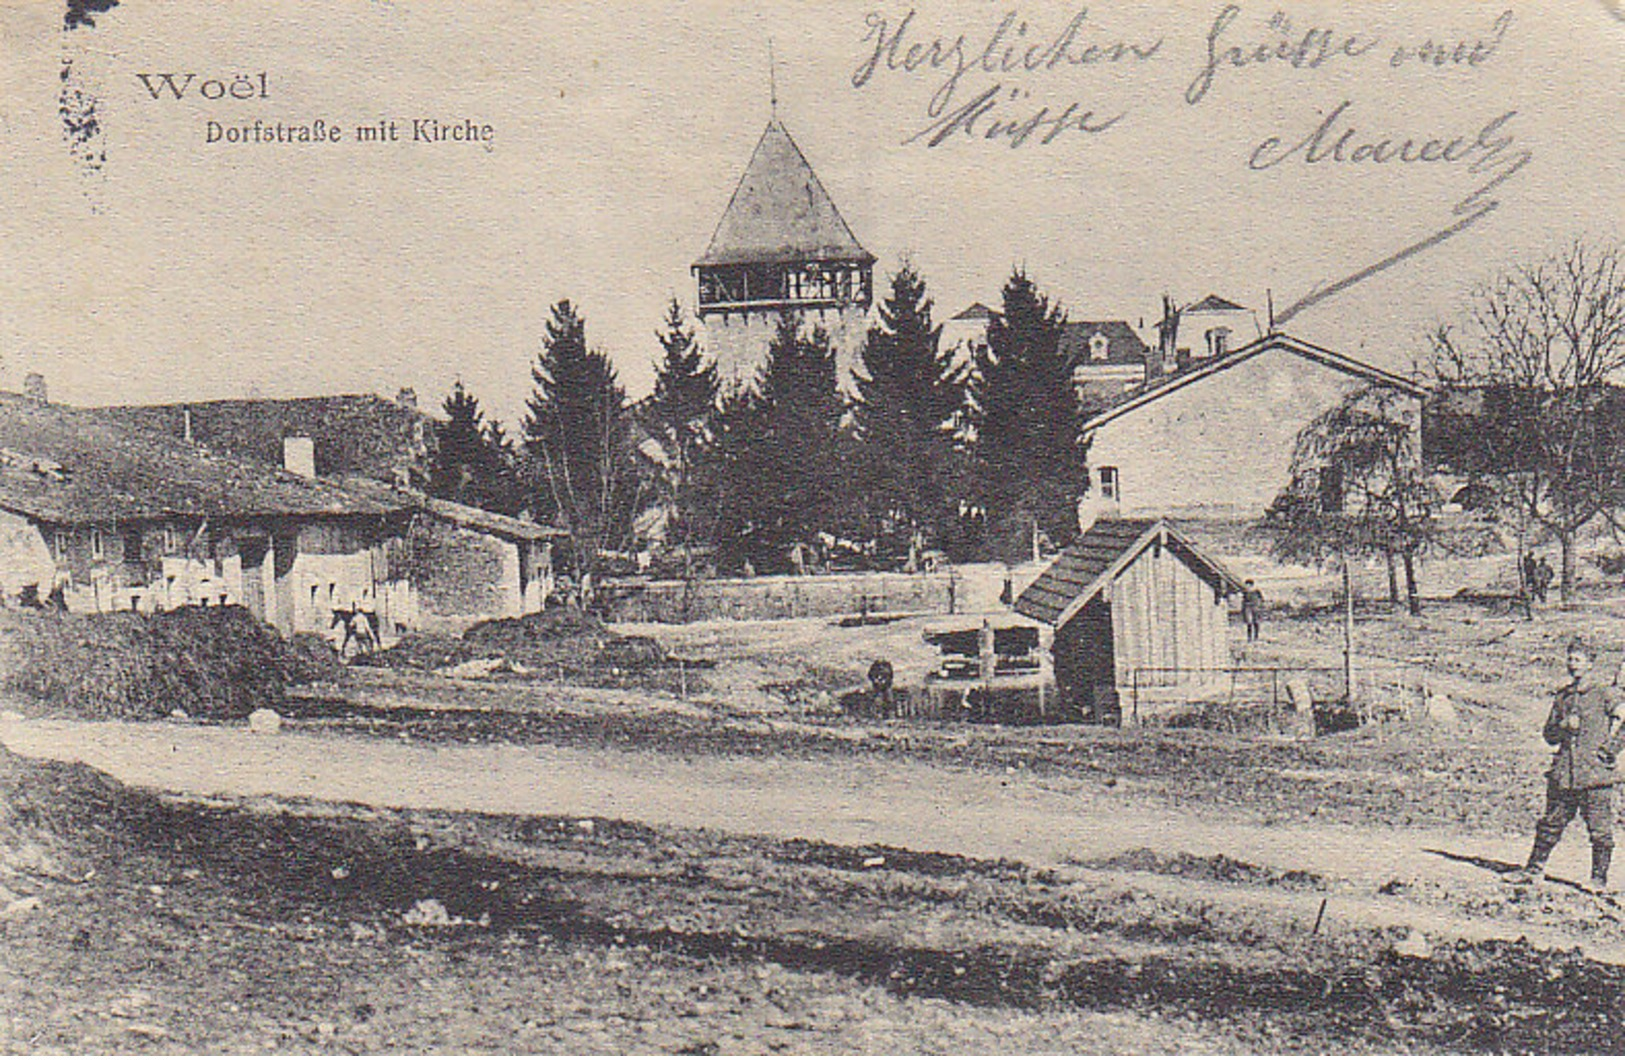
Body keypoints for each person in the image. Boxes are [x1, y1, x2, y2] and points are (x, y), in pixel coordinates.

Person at [1511, 637, 1625, 893]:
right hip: (1564, 774)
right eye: (1570, 659)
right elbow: (1549, 735)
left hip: (1595, 775)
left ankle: (1598, 880)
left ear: (1591, 664)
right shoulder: (1563, 697)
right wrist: (1562, 727)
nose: (1573, 664)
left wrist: (1611, 750)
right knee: (1550, 823)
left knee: (1600, 831)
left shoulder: (1604, 694)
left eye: (1579, 659)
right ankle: (1533, 870)